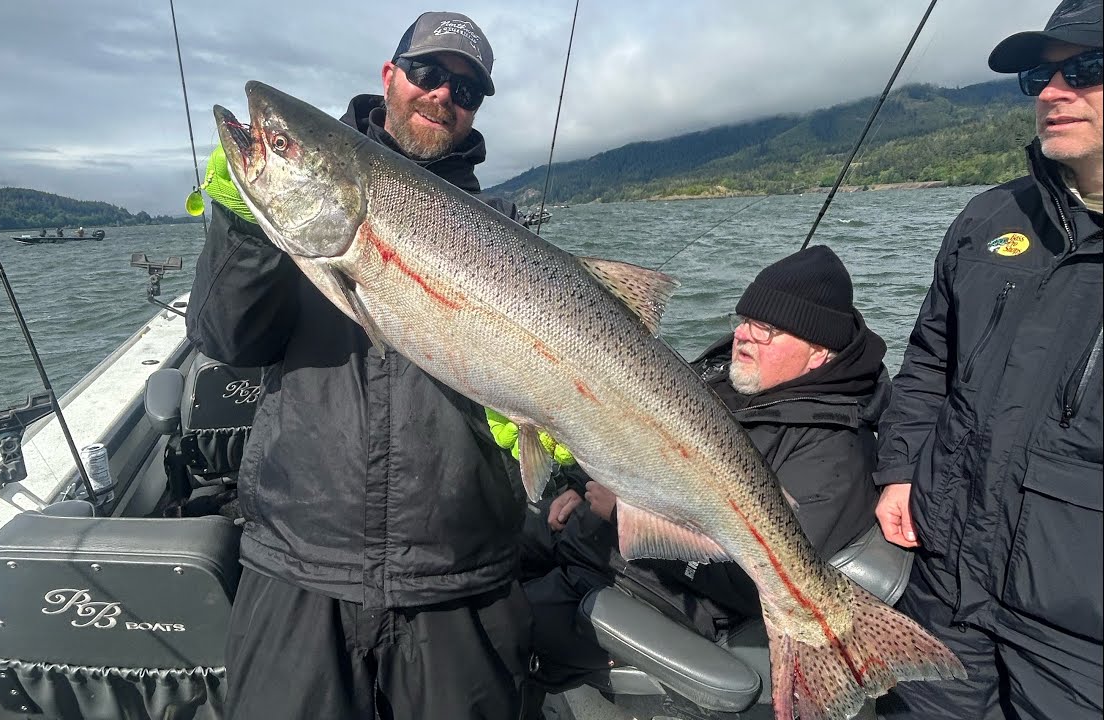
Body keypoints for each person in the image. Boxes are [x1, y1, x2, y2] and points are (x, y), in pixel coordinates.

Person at [185, 12, 528, 720]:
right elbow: (227, 338)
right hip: (300, 565)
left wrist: (541, 420)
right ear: (390, 77)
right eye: (428, 74)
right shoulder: (311, 201)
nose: (443, 95)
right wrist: (248, 224)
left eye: (466, 89)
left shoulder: (506, 236)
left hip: (459, 580)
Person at [519, 245, 890, 694]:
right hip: (585, 536)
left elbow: (754, 580)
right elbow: (628, 427)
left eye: (767, 329)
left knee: (495, 629)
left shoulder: (832, 451)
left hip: (651, 591)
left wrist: (623, 515)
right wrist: (580, 485)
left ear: (818, 353)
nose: (743, 335)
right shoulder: (721, 373)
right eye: (746, 319)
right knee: (485, 550)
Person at [873, 2, 1102, 717]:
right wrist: (900, 470)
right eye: (1041, 74)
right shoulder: (988, 219)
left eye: (1086, 69)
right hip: (945, 579)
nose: (1051, 92)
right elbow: (929, 361)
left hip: (1077, 629)